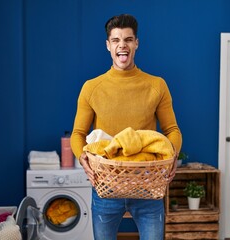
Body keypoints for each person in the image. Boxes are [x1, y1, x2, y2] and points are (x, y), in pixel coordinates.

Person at [70, 14, 182, 240]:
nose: (123, 45)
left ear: (136, 43)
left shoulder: (156, 85)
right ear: (108, 45)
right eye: (116, 40)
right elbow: (78, 134)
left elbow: (172, 130)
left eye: (128, 40)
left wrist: (173, 156)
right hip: (106, 188)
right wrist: (83, 157)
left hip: (148, 185)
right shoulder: (92, 88)